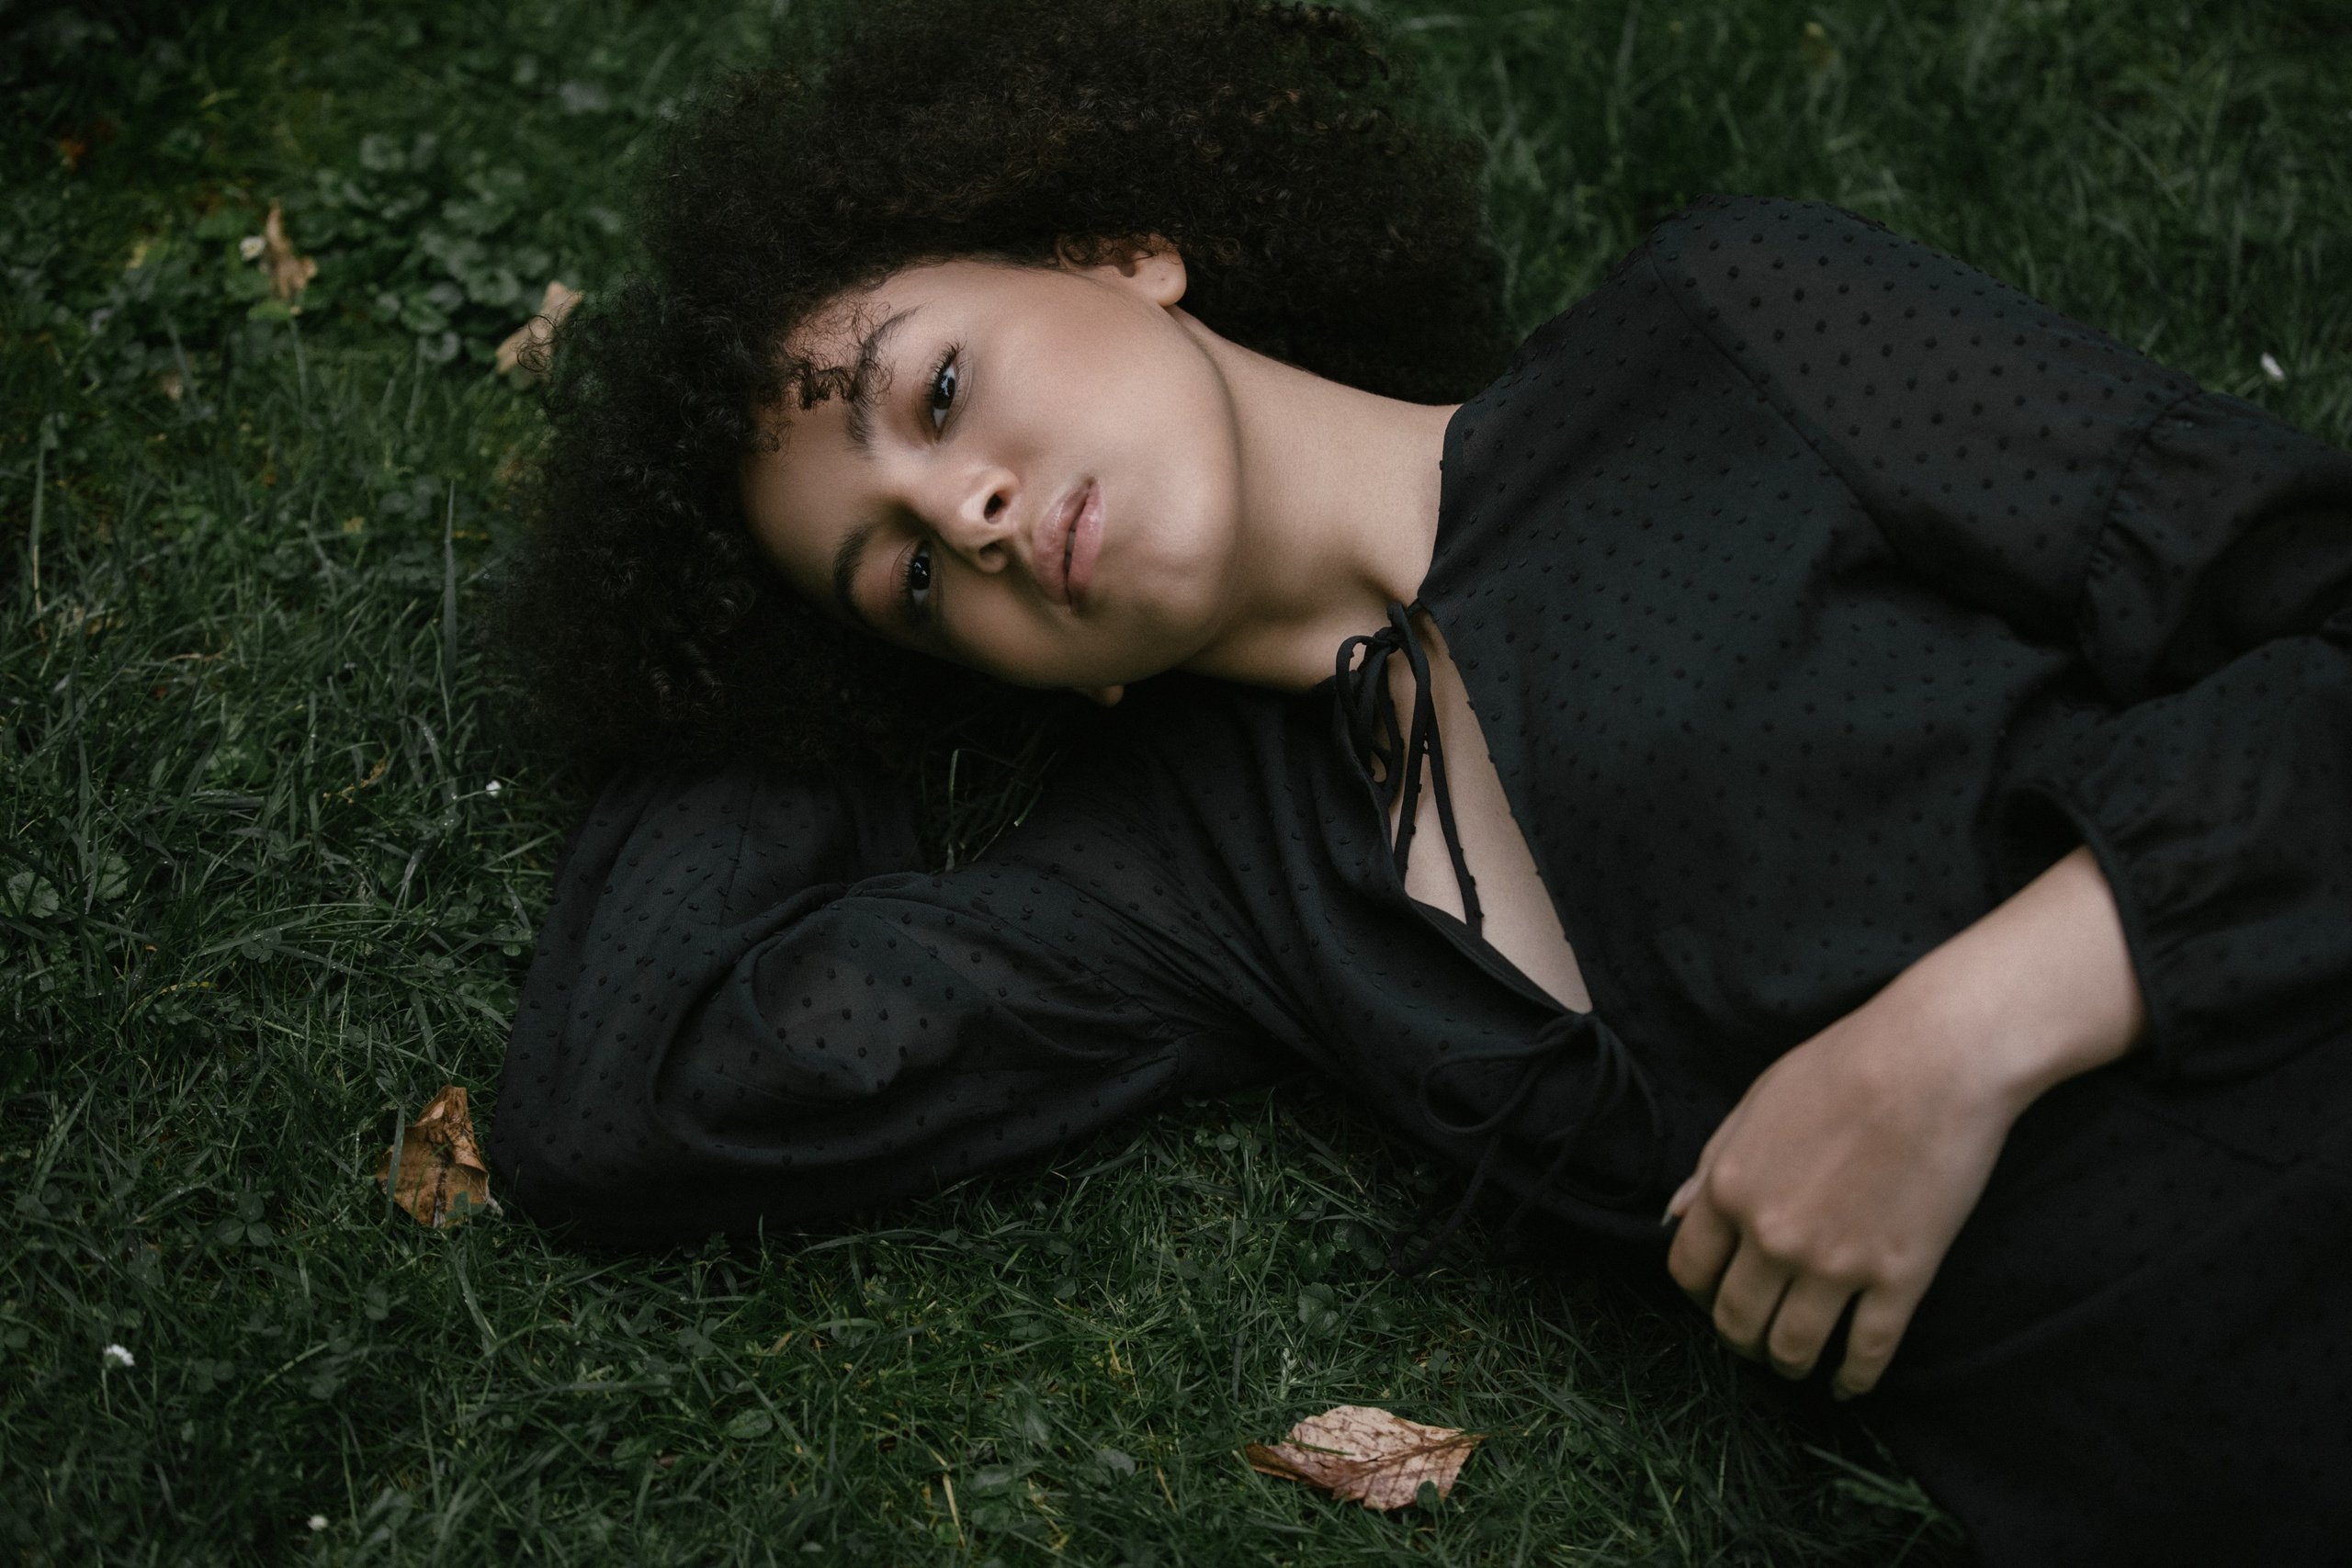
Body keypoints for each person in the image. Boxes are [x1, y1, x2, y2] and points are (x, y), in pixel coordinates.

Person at [485, 1, 2352, 1561]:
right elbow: (627, 1100)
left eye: (942, 391)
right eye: (900, 573)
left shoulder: (1721, 339)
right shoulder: (1219, 880)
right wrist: (779, 674)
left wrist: (1960, 1032)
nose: (959, 510)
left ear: (1114, 249)